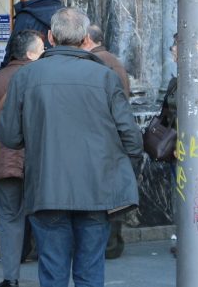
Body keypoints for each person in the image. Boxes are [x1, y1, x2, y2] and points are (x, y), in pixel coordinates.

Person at [0, 7, 142, 287]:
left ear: (51, 37)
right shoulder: (105, 77)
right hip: (95, 187)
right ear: (84, 38)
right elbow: (132, 138)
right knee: (90, 270)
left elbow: (9, 136)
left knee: (53, 270)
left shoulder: (26, 76)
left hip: (46, 186)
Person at [0, 30, 45, 287]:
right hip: (39, 158)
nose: (45, 54)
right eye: (41, 50)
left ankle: (10, 278)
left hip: (3, 157)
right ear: (29, 53)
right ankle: (50, 276)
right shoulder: (42, 77)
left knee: (8, 218)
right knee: (45, 217)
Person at [81, 24, 130, 259]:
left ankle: (107, 244)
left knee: (101, 195)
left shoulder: (94, 62)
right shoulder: (114, 61)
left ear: (88, 40)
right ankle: (112, 242)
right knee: (112, 193)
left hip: (101, 134)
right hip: (113, 133)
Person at [0, 0, 63, 69]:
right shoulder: (65, 14)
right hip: (60, 69)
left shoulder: (25, 17)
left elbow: (13, 49)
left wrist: (4, 71)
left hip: (30, 73)